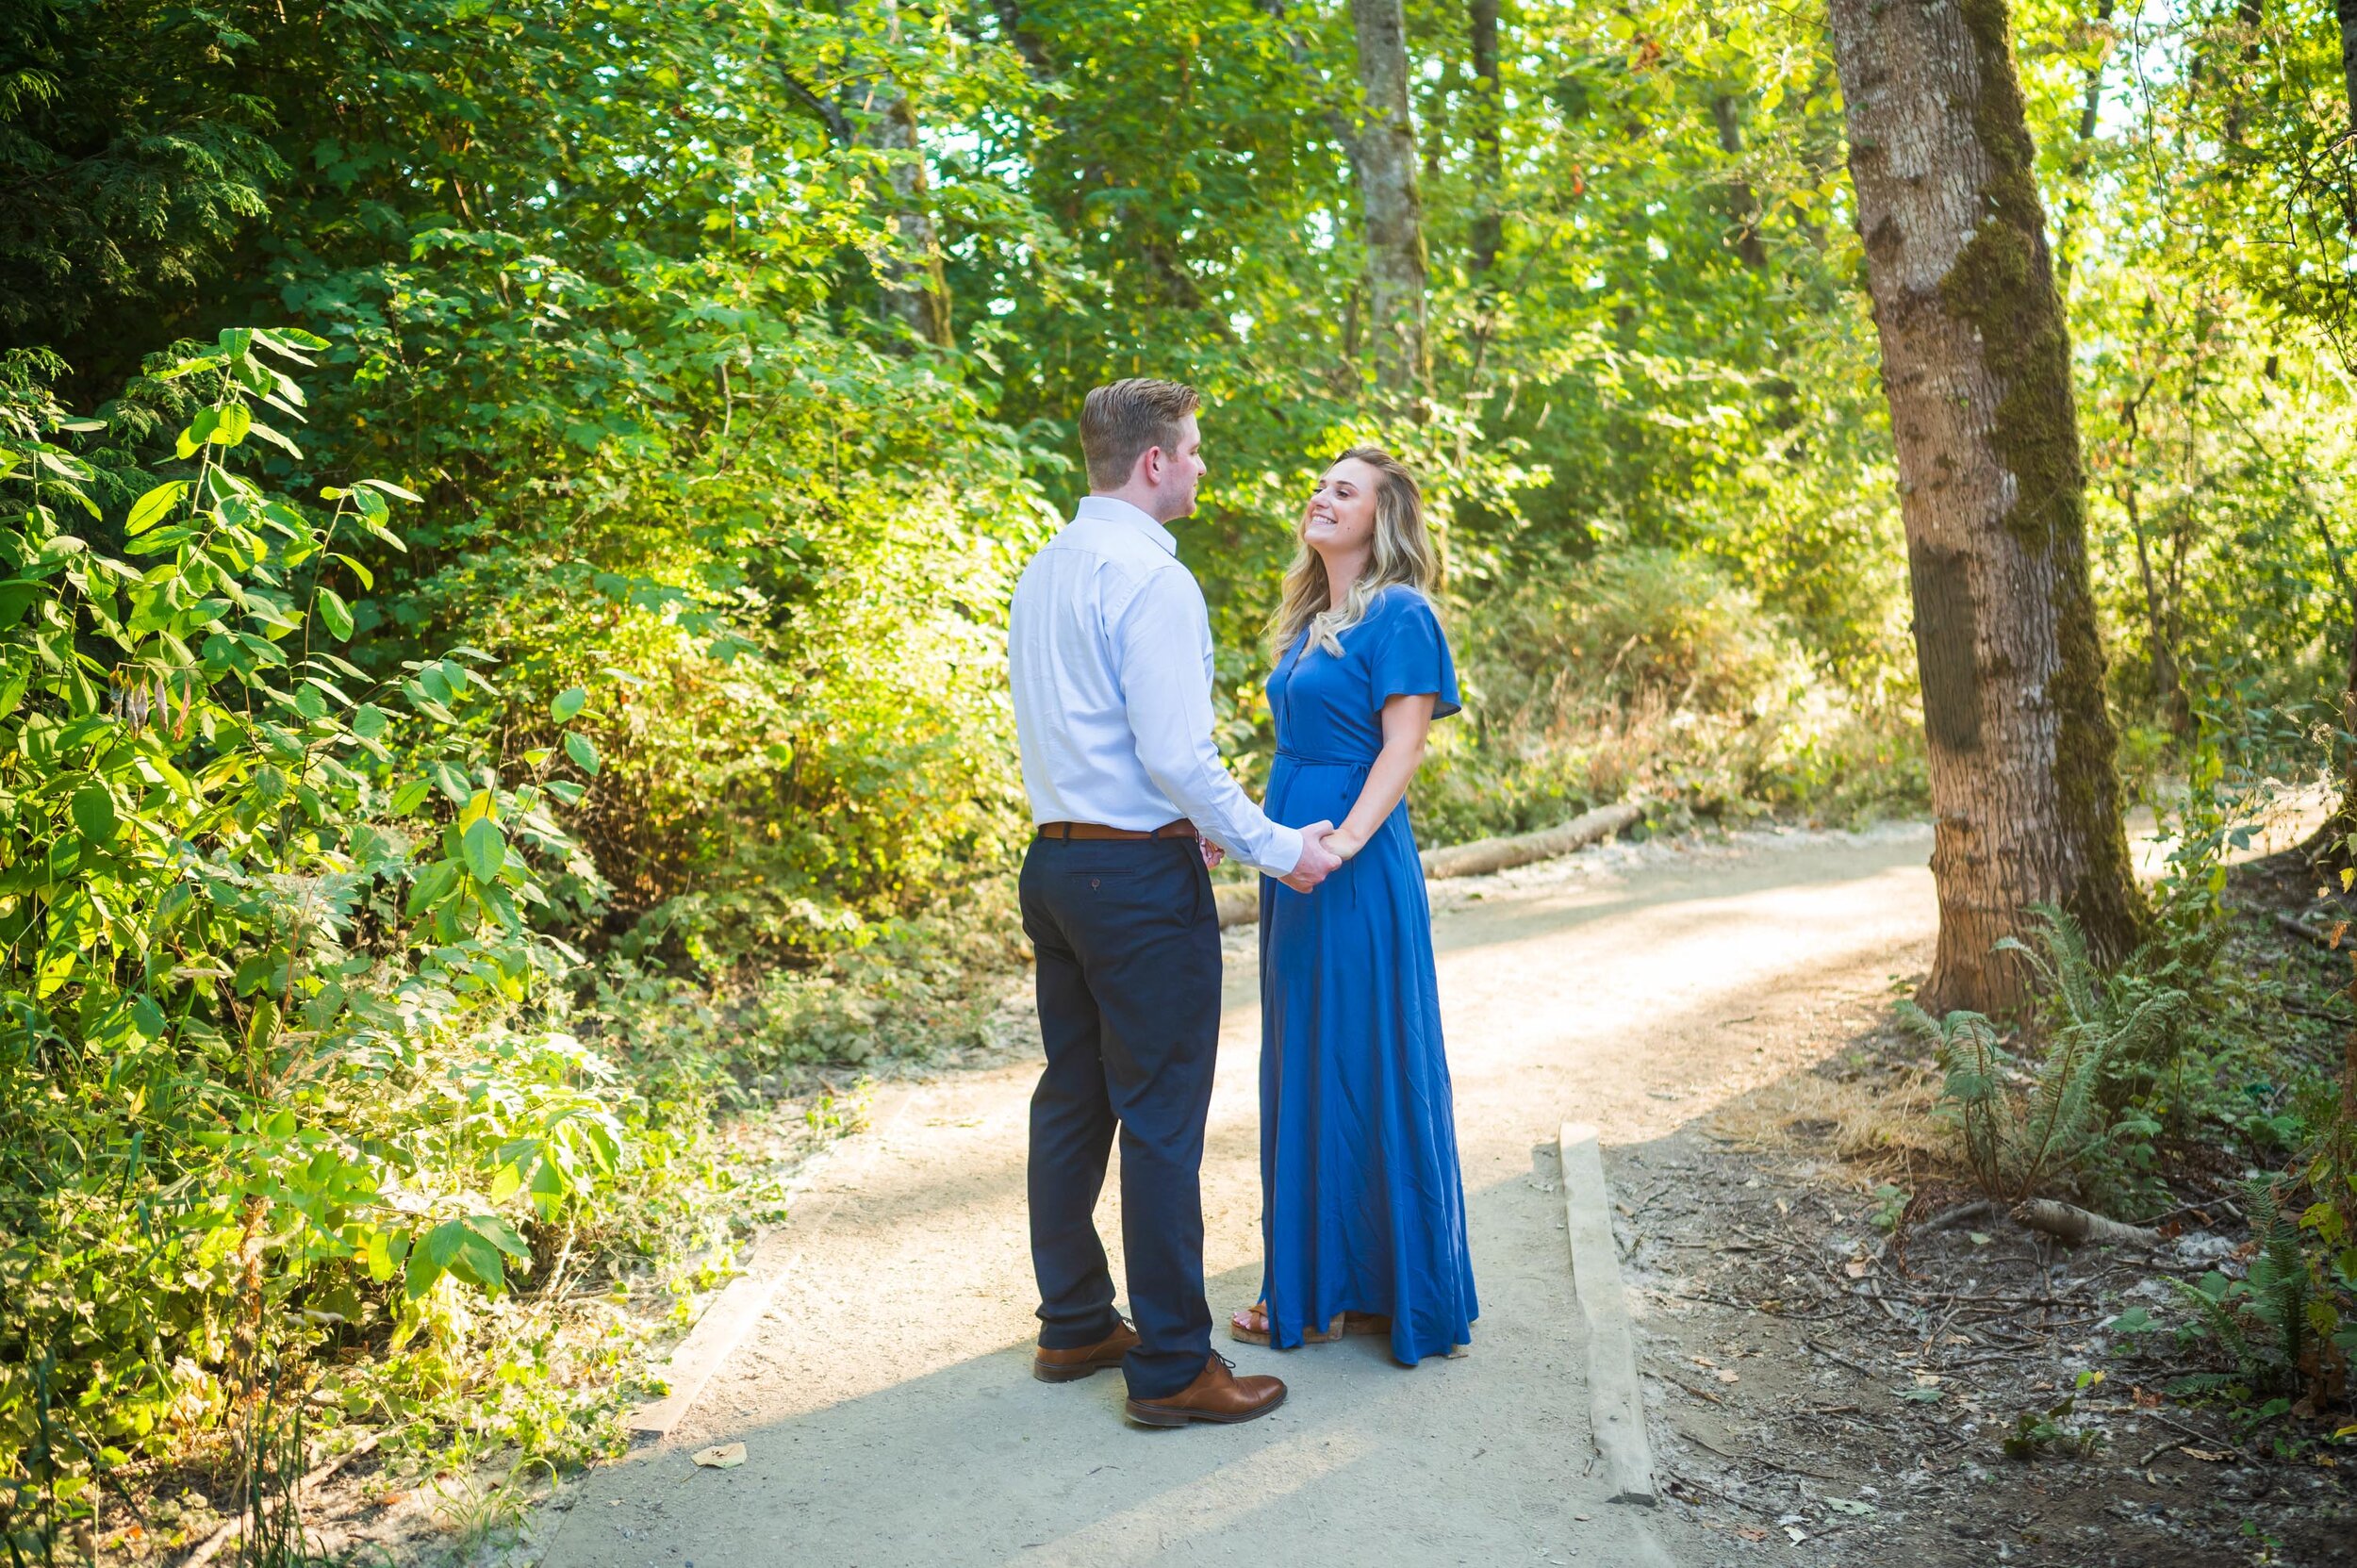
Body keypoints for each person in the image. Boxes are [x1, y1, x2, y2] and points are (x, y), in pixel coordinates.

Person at [1007, 378, 1344, 1428]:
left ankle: (1073, 1324)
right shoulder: (1153, 580)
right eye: (1193, 450)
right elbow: (1174, 753)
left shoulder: (1043, 570)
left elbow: (1090, 736)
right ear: (1152, 461)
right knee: (1159, 1123)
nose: (1201, 466)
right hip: (1138, 883)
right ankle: (1171, 1370)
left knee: (1073, 1098)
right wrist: (1280, 846)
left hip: (1056, 867)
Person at [1228, 447, 1479, 1366]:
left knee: (1364, 1055)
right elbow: (1293, 751)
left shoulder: (1402, 614)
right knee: (1304, 1063)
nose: (1321, 496)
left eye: (1345, 490)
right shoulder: (1308, 622)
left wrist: (1339, 842)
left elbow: (1401, 749)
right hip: (1291, 864)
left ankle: (1373, 1285)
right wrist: (1247, 830)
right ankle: (1315, 1282)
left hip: (1351, 863)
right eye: (1320, 484)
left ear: (1382, 517)